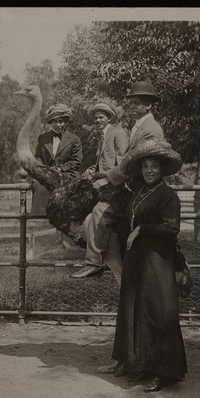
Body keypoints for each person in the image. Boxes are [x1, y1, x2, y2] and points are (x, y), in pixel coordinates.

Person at [98, 139, 187, 392]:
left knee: (159, 313)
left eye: (154, 166)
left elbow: (172, 228)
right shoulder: (138, 193)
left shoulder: (168, 196)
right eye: (146, 166)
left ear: (162, 169)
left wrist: (141, 229)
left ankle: (163, 372)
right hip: (136, 260)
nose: (149, 170)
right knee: (132, 310)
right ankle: (132, 364)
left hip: (158, 261)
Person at [71, 81, 165, 279]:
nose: (130, 107)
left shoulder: (151, 129)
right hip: (131, 185)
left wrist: (107, 180)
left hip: (139, 188)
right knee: (90, 216)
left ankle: (93, 262)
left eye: (136, 103)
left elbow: (132, 164)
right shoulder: (139, 127)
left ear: (148, 105)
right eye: (130, 103)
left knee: (99, 210)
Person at [70, 102, 128, 278]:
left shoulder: (118, 133)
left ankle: (93, 262)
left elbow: (124, 165)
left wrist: (105, 179)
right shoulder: (102, 137)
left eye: (101, 117)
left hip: (118, 187)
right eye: (95, 118)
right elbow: (103, 163)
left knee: (97, 213)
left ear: (109, 118)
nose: (98, 120)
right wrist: (92, 170)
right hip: (105, 185)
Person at [30, 104, 83, 216]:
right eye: (55, 122)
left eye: (61, 121)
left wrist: (60, 169)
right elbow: (38, 157)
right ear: (51, 122)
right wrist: (40, 172)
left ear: (65, 122)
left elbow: (77, 161)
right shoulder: (43, 138)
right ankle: (42, 216)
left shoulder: (74, 139)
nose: (58, 125)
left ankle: (65, 216)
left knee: (68, 190)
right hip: (48, 173)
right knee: (40, 186)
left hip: (67, 174)